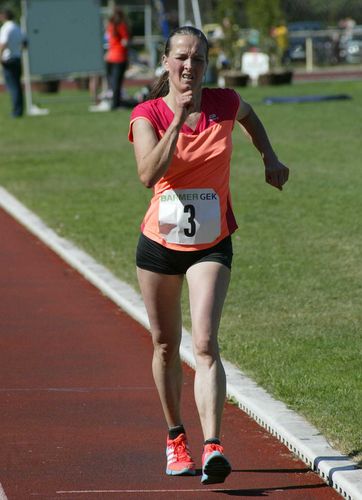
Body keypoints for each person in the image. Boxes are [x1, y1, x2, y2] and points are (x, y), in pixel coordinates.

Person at [128, 26, 289, 485]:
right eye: (181, 58)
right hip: (159, 245)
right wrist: (176, 121)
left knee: (203, 343)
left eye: (198, 60)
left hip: (212, 242)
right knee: (164, 343)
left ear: (206, 65)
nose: (189, 67)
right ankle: (175, 436)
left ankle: (214, 444)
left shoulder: (225, 103)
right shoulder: (148, 113)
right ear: (165, 62)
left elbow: (252, 118)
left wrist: (269, 158)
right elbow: (146, 174)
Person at [0, 7, 26, 117]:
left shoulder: (6, 28)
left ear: (4, 16)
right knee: (17, 85)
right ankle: (19, 110)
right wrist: (17, 50)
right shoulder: (17, 27)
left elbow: (3, 43)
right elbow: (25, 43)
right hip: (17, 58)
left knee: (12, 86)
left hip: (8, 59)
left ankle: (16, 112)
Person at [105, 6, 130, 110]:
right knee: (117, 83)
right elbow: (125, 42)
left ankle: (114, 102)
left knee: (112, 82)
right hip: (119, 57)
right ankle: (116, 104)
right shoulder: (121, 25)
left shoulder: (110, 26)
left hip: (109, 57)